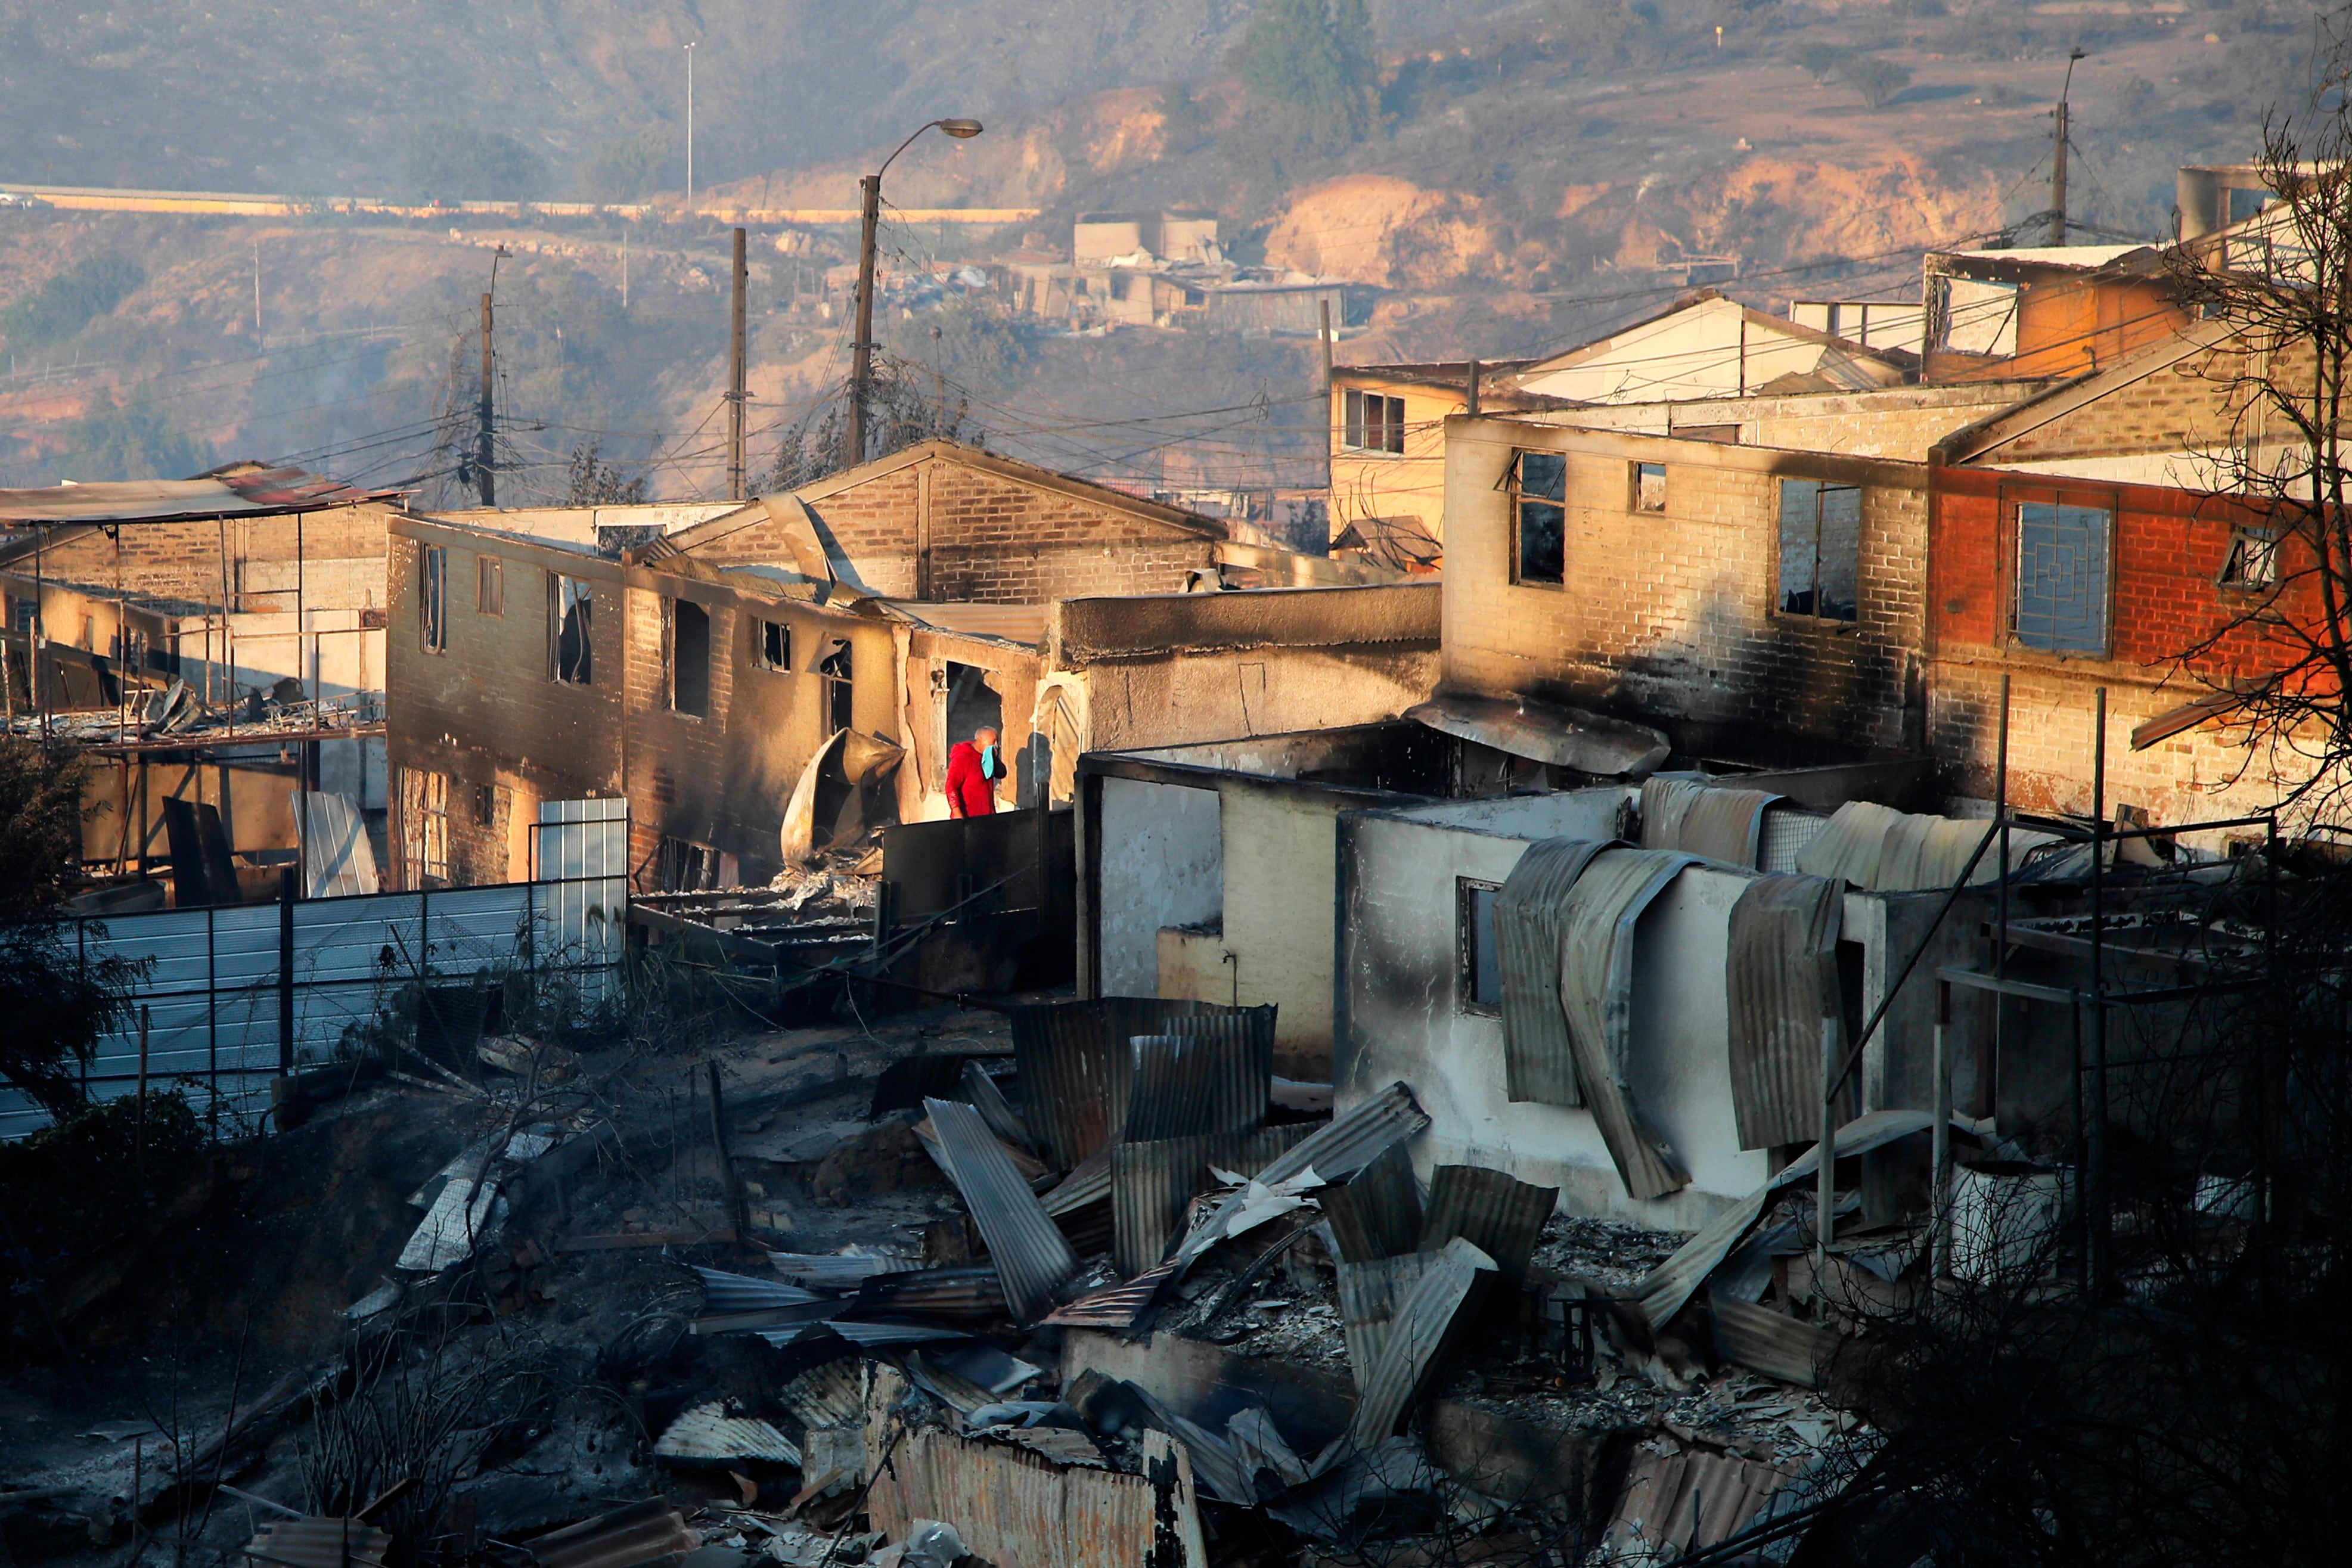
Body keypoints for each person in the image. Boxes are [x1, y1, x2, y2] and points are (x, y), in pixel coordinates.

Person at [945, 725, 1004, 818]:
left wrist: (996, 758)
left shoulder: (987, 759)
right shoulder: (962, 759)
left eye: (997, 741)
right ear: (981, 739)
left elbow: (1002, 774)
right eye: (993, 741)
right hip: (969, 816)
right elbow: (951, 786)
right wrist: (957, 812)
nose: (996, 744)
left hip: (987, 816)